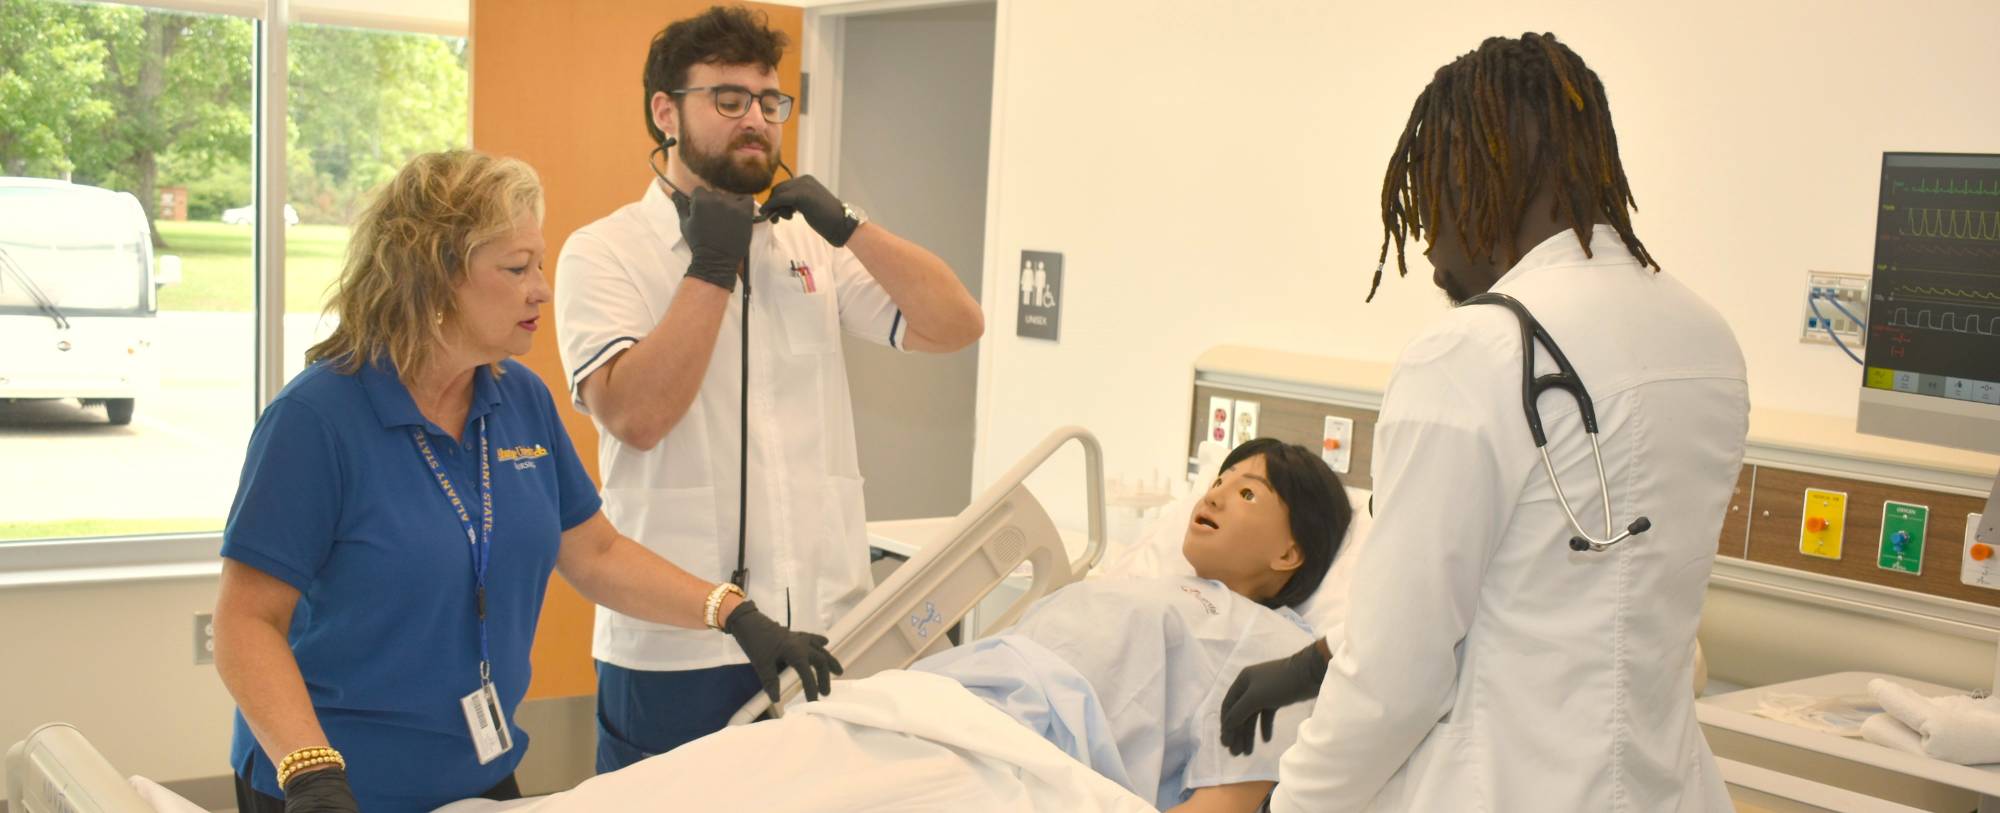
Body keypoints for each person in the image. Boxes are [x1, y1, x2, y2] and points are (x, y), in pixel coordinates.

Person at [213, 150, 838, 813]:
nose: (541, 287)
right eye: (517, 268)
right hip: (331, 785)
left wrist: (734, 613)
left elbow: (596, 552)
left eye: (538, 263)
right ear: (432, 277)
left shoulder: (519, 400)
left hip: (477, 772)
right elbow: (246, 621)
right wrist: (310, 771)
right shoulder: (317, 420)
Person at [1218, 33, 1750, 810]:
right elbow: (1543, 592)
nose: (1430, 249)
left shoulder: (1474, 352)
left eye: (1432, 196)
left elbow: (1397, 677)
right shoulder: (1705, 339)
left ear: (1487, 173)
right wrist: (1316, 658)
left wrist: (1295, 805)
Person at [553, 5, 984, 772]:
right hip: (678, 646)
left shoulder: (806, 242)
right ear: (665, 112)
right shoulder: (604, 251)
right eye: (728, 99)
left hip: (823, 625)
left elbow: (956, 323)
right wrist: (710, 269)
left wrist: (849, 225)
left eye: (770, 101)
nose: (756, 119)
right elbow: (637, 415)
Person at [914, 439, 1351, 812]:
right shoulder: (1146, 587)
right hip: (947, 697)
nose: (1212, 497)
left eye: (1248, 494)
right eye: (1219, 482)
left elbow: (1224, 802)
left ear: (1289, 555)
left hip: (1024, 756)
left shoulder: (1284, 653)